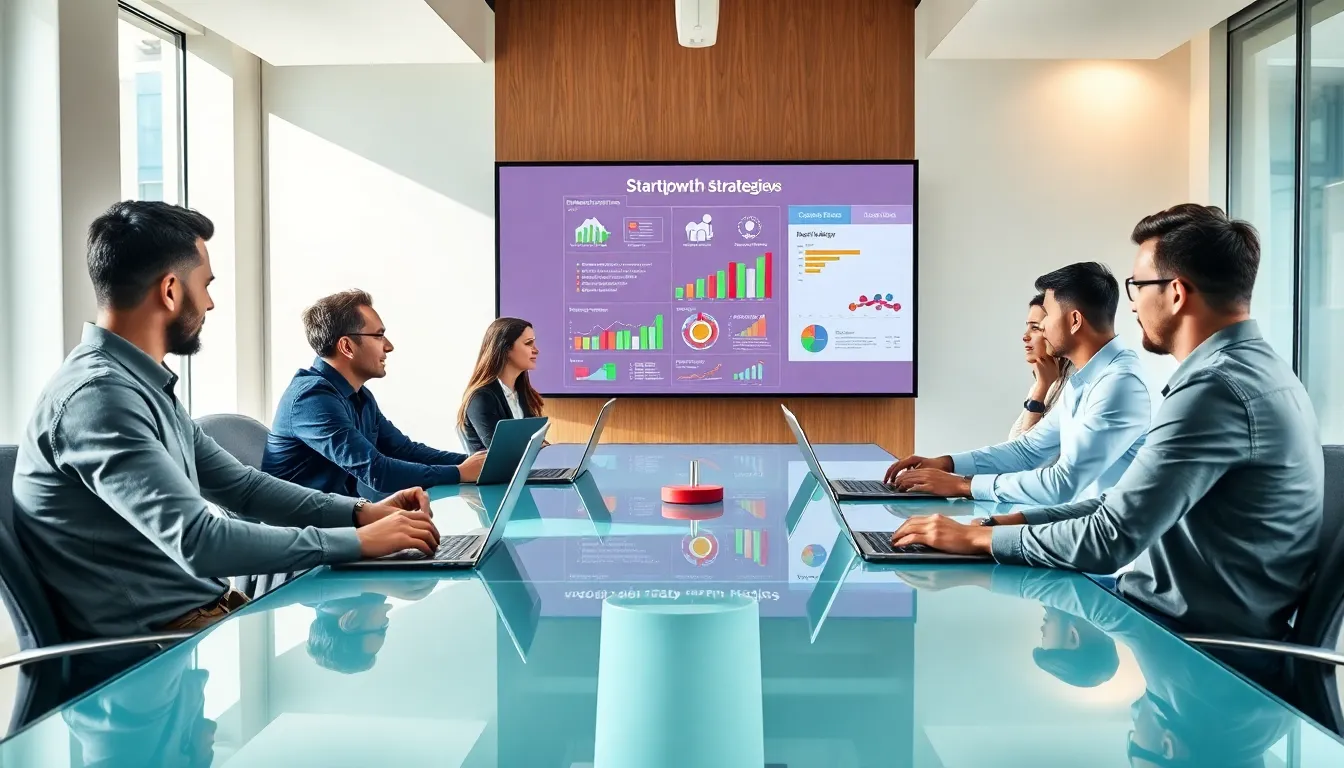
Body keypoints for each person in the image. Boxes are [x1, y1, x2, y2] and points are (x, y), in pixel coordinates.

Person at [889, 205, 1324, 643]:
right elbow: (1117, 504)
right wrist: (989, 528)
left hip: (1189, 642)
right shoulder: (1253, 372)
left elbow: (1109, 537)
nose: (1131, 305)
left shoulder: (1213, 391)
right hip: (1174, 616)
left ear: (1175, 293)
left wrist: (978, 540)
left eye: (1137, 286)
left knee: (968, 623)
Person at [11, 201, 442, 640]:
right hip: (150, 655)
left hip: (199, 624)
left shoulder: (137, 385)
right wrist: (359, 542)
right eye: (206, 285)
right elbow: (199, 540)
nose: (211, 303)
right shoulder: (100, 399)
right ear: (171, 290)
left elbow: (244, 488)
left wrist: (361, 513)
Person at [885, 262, 1151, 506]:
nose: (1042, 327)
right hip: (1071, 533)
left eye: (1047, 315)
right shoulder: (1086, 378)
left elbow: (1064, 483)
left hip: (1101, 551)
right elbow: (1027, 450)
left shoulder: (1119, 383)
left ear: (1074, 321)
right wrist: (946, 463)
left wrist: (963, 485)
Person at [264, 290, 486, 498]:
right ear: (347, 347)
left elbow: (405, 451)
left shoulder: (360, 396)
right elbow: (377, 471)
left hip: (335, 524)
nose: (389, 347)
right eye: (379, 336)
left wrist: (480, 464)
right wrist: (459, 472)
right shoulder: (311, 399)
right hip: (298, 533)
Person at [458, 317, 544, 453]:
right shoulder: (481, 398)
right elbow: (501, 453)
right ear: (505, 349)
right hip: (498, 474)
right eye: (528, 343)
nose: (536, 350)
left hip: (525, 472)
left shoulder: (522, 394)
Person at [1010, 294, 1075, 441]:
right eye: (1027, 327)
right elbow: (1014, 442)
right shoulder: (1046, 380)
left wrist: (1042, 388)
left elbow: (1026, 453)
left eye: (1035, 327)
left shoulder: (1075, 385)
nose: (1025, 336)